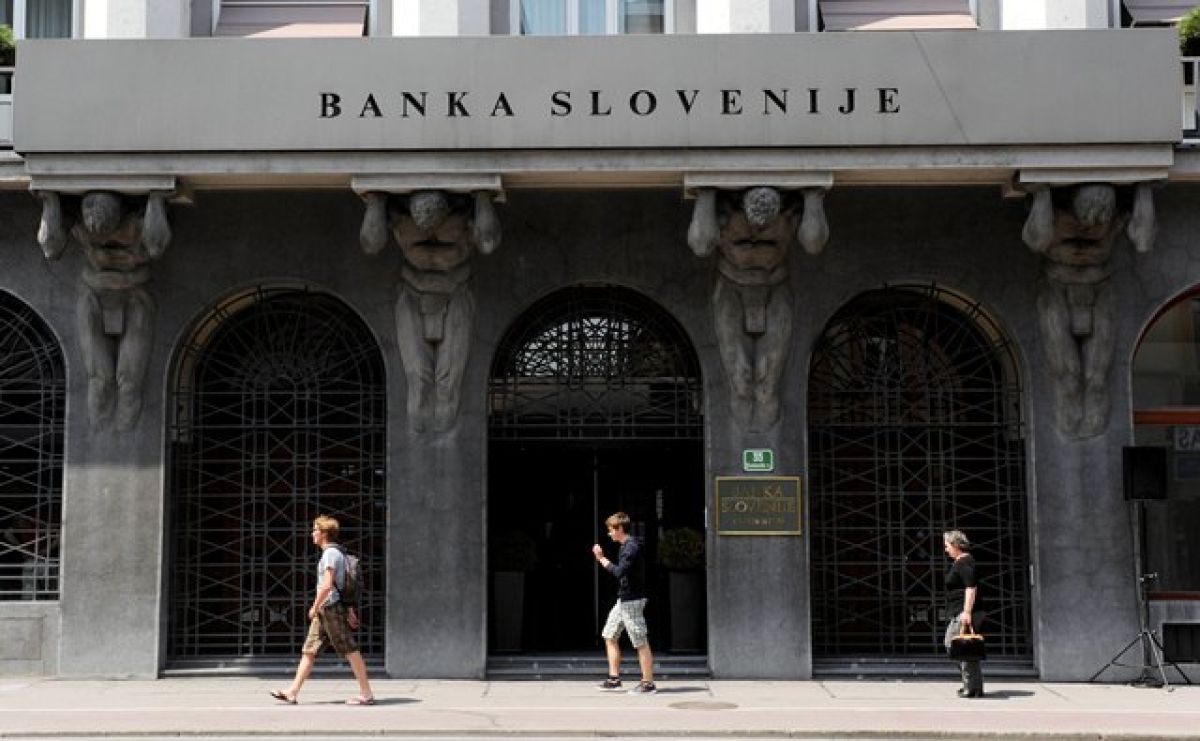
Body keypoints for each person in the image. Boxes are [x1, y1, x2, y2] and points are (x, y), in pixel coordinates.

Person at [271, 515, 375, 706]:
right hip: (327, 609)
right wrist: (349, 611)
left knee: (350, 649)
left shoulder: (330, 554)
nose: (312, 533)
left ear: (324, 533)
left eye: (315, 530)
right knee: (310, 650)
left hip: (329, 608)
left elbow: (327, 585)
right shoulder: (337, 553)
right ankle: (292, 692)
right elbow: (341, 585)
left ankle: (366, 693)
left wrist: (315, 606)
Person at [591, 512, 657, 695]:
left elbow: (620, 572)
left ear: (620, 528)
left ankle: (648, 683)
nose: (609, 533)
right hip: (624, 600)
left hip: (632, 601)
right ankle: (614, 679)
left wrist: (601, 558)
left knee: (640, 641)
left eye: (611, 530)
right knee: (609, 635)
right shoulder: (626, 546)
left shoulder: (631, 548)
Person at [943, 529, 984, 698]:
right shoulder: (961, 561)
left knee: (959, 647)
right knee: (962, 648)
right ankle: (973, 686)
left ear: (955, 545)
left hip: (964, 613)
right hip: (960, 611)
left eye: (947, 546)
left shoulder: (964, 562)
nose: (946, 549)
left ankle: (972, 687)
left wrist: (966, 612)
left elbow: (971, 587)